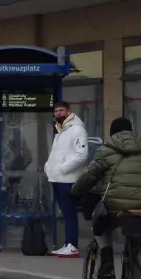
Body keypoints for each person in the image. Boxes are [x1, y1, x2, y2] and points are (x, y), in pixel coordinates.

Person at [71, 117, 141, 279]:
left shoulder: (105, 150)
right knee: (138, 242)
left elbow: (89, 176)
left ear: (112, 134)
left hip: (116, 207)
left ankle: (107, 261)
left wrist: (75, 191)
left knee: (99, 223)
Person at [44, 103, 90, 259]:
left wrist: (62, 169)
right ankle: (68, 244)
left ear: (68, 112)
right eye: (56, 111)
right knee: (65, 213)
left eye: (61, 110)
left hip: (68, 179)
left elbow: (81, 155)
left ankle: (72, 245)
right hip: (57, 178)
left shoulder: (77, 130)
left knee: (69, 213)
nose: (58, 113)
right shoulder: (60, 130)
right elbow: (55, 154)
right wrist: (48, 168)